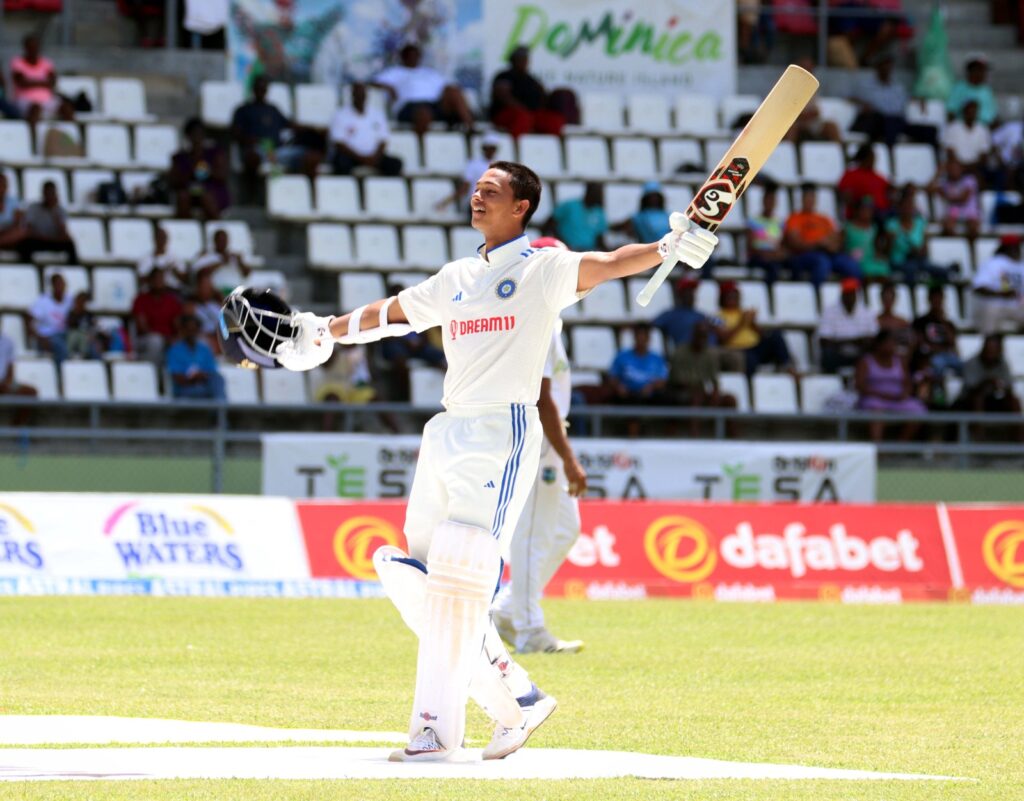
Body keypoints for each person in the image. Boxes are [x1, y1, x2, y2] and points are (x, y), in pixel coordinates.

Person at [234, 159, 716, 762]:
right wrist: (324, 330)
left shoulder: (543, 267)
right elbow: (392, 315)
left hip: (502, 430)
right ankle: (518, 693)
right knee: (407, 568)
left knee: (461, 577)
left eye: (491, 191)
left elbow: (612, 263)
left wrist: (669, 245)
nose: (476, 196)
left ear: (521, 207)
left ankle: (434, 732)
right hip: (447, 431)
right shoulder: (459, 275)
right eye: (474, 189)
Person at [492, 238, 586, 655]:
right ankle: (530, 629)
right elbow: (541, 397)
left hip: (547, 436)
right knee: (531, 535)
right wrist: (566, 456)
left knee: (566, 529)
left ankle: (508, 609)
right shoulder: (537, 315)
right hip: (537, 438)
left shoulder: (550, 316)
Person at [231, 75, 317, 193]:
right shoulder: (243, 110)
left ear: (267, 90)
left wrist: (312, 129)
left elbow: (290, 125)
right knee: (252, 157)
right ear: (253, 89)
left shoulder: (273, 109)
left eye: (264, 88)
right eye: (259, 88)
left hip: (278, 151)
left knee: (311, 156)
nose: (261, 91)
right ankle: (252, 195)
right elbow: (235, 133)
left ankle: (306, 195)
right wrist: (252, 141)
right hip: (257, 150)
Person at [372, 42, 475, 137]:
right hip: (409, 107)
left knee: (453, 91)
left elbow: (447, 86)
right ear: (403, 57)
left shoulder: (429, 72)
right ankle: (422, 147)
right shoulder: (394, 72)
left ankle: (470, 130)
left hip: (433, 105)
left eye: (415, 55)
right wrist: (389, 88)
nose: (413, 58)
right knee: (424, 112)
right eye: (409, 55)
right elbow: (373, 83)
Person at [851, 52, 937, 147]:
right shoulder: (866, 85)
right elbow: (852, 98)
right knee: (890, 124)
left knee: (931, 130)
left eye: (889, 66)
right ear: (878, 67)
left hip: (900, 121)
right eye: (884, 65)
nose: (887, 68)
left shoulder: (897, 87)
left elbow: (907, 97)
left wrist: (919, 98)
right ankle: (890, 155)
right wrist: (862, 104)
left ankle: (934, 158)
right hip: (879, 122)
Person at [784, 183, 861, 287]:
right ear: (802, 199)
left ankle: (851, 293)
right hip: (805, 255)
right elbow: (794, 243)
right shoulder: (794, 218)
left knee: (851, 265)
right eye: (807, 197)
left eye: (812, 197)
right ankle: (815, 295)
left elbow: (836, 240)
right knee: (822, 263)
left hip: (828, 253)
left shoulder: (824, 219)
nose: (810, 200)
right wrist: (817, 243)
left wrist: (829, 246)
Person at [855, 329, 927, 442]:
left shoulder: (900, 361)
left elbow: (907, 383)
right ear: (879, 344)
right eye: (889, 343)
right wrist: (884, 395)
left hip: (896, 399)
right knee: (876, 411)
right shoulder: (866, 362)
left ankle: (900, 446)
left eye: (894, 343)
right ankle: (878, 448)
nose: (892, 346)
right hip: (874, 399)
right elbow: (860, 386)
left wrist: (904, 394)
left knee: (918, 409)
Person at [667, 321, 737, 434]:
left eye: (704, 336)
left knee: (730, 399)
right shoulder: (680, 352)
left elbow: (714, 380)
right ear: (693, 335)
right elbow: (677, 380)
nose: (701, 339)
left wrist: (715, 392)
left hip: (702, 392)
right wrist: (698, 388)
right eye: (699, 335)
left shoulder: (709, 354)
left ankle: (733, 437)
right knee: (696, 397)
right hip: (680, 393)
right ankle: (695, 436)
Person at [713, 281, 793, 375]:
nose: (733, 298)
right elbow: (723, 339)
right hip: (737, 350)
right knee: (749, 358)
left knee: (776, 335)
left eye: (735, 295)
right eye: (730, 295)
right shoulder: (717, 316)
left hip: (755, 347)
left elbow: (761, 334)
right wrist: (741, 323)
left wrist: (753, 323)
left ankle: (787, 367)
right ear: (723, 297)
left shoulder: (743, 312)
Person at [488, 45, 566, 138]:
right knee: (522, 118)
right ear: (513, 60)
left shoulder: (531, 80)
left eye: (525, 58)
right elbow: (503, 96)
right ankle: (515, 147)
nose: (524, 61)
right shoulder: (504, 76)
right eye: (520, 58)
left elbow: (543, 97)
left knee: (554, 121)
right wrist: (523, 109)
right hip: (508, 114)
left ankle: (547, 149)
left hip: (532, 115)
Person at [328, 81, 403, 177]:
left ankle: (383, 189)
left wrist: (374, 157)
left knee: (395, 164)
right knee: (340, 162)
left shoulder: (377, 114)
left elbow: (383, 140)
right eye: (357, 94)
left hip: (373, 157)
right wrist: (361, 158)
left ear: (366, 95)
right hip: (352, 157)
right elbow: (338, 143)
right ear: (352, 95)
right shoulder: (340, 115)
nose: (360, 96)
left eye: (362, 94)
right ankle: (347, 188)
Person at [607, 323, 670, 423]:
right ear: (634, 337)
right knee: (627, 401)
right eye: (639, 336)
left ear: (648, 338)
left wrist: (652, 387)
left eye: (644, 336)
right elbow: (612, 377)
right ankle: (633, 437)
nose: (641, 339)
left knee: (669, 399)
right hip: (627, 394)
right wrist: (619, 387)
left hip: (650, 395)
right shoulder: (622, 356)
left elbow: (663, 380)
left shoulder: (657, 358)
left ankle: (671, 437)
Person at [169, 118, 230, 221]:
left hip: (212, 191)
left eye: (200, 134)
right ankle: (186, 229)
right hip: (190, 190)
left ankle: (215, 224)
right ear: (188, 136)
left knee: (206, 196)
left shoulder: (215, 154)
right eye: (194, 134)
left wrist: (208, 172)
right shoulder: (180, 157)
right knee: (183, 197)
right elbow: (174, 181)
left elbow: (222, 175)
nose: (197, 138)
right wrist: (190, 174)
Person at [818, 277, 879, 373]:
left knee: (873, 353)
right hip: (838, 355)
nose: (850, 296)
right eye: (847, 293)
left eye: (852, 293)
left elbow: (873, 339)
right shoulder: (829, 312)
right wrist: (855, 341)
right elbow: (824, 341)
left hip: (859, 355)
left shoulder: (867, 312)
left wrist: (842, 341)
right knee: (827, 355)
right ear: (842, 294)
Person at [885, 186, 944, 284]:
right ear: (900, 207)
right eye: (906, 205)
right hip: (899, 261)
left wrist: (917, 251)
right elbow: (887, 252)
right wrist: (892, 241)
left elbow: (924, 250)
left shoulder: (920, 223)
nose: (908, 208)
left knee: (939, 271)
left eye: (910, 205)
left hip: (918, 261)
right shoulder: (891, 224)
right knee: (911, 269)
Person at [970, 235, 1024, 335]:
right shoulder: (993, 263)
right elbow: (978, 288)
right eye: (1013, 246)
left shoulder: (1021, 265)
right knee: (991, 310)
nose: (1017, 249)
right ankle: (989, 343)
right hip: (996, 304)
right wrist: (1001, 294)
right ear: (1005, 247)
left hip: (1016, 306)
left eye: (1017, 246)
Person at [955, 334, 1022, 414]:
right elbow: (971, 390)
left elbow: (1009, 387)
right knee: (978, 399)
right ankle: (978, 425)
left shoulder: (1003, 364)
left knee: (1014, 401)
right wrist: (987, 382)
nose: (991, 353)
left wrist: (1001, 387)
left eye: (994, 349)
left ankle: (1018, 425)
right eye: (989, 349)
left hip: (993, 401)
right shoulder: (971, 363)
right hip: (969, 403)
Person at [436, 133, 499, 215]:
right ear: (483, 148)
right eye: (489, 148)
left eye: (492, 148)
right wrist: (445, 202)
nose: (491, 151)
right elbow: (465, 188)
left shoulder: (499, 167)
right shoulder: (473, 164)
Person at [166, 315, 225, 400]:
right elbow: (177, 378)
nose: (191, 333)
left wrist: (201, 376)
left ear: (198, 331)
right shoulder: (174, 350)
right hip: (184, 389)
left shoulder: (205, 349)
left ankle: (221, 407)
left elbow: (211, 372)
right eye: (188, 330)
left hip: (205, 386)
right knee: (208, 392)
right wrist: (194, 378)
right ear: (183, 331)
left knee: (218, 379)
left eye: (194, 330)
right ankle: (222, 409)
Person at [19, 180, 79, 264]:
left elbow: (64, 233)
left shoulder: (60, 211)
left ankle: (74, 270)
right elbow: (28, 229)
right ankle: (27, 269)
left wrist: (54, 212)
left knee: (70, 245)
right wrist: (42, 237)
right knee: (25, 244)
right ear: (43, 193)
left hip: (53, 241)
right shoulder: (33, 208)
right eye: (47, 193)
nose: (49, 196)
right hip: (38, 240)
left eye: (52, 193)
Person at [131, 268, 182, 364]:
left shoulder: (172, 301)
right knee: (156, 341)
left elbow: (178, 325)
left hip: (168, 339)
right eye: (156, 279)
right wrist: (164, 339)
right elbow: (142, 328)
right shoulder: (141, 300)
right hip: (146, 339)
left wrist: (174, 338)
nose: (159, 282)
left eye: (161, 279)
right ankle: (152, 371)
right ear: (150, 281)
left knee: (180, 342)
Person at [653, 277, 718, 349]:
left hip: (702, 352)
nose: (690, 295)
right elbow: (651, 325)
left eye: (692, 292)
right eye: (687, 291)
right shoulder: (671, 315)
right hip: (682, 352)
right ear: (680, 295)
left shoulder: (701, 316)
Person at [912, 284, 962, 377]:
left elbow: (952, 342)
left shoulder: (948, 323)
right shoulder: (920, 321)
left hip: (947, 355)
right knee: (938, 364)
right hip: (930, 356)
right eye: (935, 298)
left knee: (963, 367)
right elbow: (920, 343)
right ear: (929, 299)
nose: (937, 301)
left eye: (939, 298)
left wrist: (942, 321)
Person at [746, 180, 788, 284]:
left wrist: (777, 254)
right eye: (768, 199)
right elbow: (751, 246)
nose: (770, 203)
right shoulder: (753, 221)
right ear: (763, 200)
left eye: (772, 200)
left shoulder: (780, 223)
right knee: (773, 268)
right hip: (759, 257)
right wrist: (766, 254)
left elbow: (783, 245)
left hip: (773, 256)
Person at [930, 157, 980, 239]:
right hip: (954, 211)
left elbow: (964, 199)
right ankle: (957, 245)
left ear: (961, 169)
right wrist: (938, 173)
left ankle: (972, 249)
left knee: (973, 228)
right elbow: (930, 188)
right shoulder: (945, 183)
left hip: (969, 211)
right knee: (947, 226)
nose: (953, 171)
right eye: (951, 169)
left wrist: (946, 196)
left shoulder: (969, 180)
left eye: (956, 168)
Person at [27, 273, 72, 365]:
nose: (61, 287)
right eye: (58, 284)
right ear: (52, 286)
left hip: (65, 335)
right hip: (48, 336)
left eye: (62, 284)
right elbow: (29, 320)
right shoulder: (43, 301)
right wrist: (39, 337)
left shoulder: (70, 300)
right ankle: (62, 373)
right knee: (61, 348)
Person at [9, 35, 58, 119]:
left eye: (35, 47)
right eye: (30, 47)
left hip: (46, 99)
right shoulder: (17, 62)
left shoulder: (46, 62)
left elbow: (53, 82)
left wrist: (31, 81)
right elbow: (22, 83)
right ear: (25, 47)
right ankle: (33, 132)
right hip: (25, 100)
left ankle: (74, 131)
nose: (33, 49)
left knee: (66, 107)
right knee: (35, 108)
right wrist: (43, 82)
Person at [843, 196, 890, 282]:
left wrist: (878, 254)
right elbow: (842, 245)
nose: (867, 212)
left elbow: (876, 246)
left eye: (870, 210)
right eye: (864, 209)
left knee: (884, 269)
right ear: (857, 210)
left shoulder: (874, 228)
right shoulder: (848, 228)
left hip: (871, 260)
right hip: (856, 262)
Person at [548, 182, 607, 252]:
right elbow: (550, 223)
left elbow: (599, 237)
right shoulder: (570, 205)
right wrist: (561, 243)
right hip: (567, 251)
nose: (597, 194)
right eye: (594, 191)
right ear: (588, 191)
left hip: (588, 252)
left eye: (599, 192)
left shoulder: (599, 212)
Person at [837, 144, 891, 220]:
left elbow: (890, 190)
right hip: (862, 214)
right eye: (871, 158)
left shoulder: (878, 177)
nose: (873, 161)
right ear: (864, 158)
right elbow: (846, 196)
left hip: (883, 213)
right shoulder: (851, 175)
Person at [191, 229, 251, 295]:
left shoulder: (234, 257)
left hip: (234, 291)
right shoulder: (207, 256)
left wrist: (240, 262)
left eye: (224, 240)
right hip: (215, 293)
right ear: (214, 241)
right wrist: (221, 262)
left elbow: (246, 274)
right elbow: (200, 274)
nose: (222, 243)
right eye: (220, 240)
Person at [942, 100, 992, 175]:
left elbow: (984, 155)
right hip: (956, 167)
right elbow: (950, 152)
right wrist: (961, 167)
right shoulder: (953, 127)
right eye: (969, 112)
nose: (971, 114)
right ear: (964, 112)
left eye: (973, 112)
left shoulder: (983, 130)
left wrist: (970, 167)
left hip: (975, 168)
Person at [946, 57, 997, 126]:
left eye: (984, 71)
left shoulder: (987, 91)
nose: (984, 74)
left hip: (985, 128)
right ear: (972, 71)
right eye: (980, 70)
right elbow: (951, 112)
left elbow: (994, 115)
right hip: (965, 127)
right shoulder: (959, 88)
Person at [0, 331, 37, 425]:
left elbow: (10, 366)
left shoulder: (8, 342)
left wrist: (7, 382)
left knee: (30, 392)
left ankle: (17, 428)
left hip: (3, 381)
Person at [876, 281, 913, 356]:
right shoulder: (875, 321)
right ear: (881, 298)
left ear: (894, 299)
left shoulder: (903, 322)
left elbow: (910, 343)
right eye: (885, 297)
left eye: (890, 297)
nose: (888, 300)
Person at [64, 291, 101, 360]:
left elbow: (93, 328)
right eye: (80, 301)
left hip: (87, 337)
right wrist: (77, 312)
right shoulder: (72, 313)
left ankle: (86, 358)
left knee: (94, 347)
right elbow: (70, 326)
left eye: (83, 302)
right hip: (75, 336)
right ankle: (69, 356)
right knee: (74, 335)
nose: (82, 304)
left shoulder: (89, 315)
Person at [0, 172, 26, 254]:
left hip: (9, 235)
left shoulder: (14, 202)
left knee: (22, 232)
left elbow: (17, 226)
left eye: (3, 185)